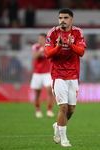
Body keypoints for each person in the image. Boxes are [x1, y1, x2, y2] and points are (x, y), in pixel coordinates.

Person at [45, 8, 86, 147]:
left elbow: (81, 52)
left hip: (73, 75)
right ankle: (64, 139)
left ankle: (57, 125)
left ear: (71, 20)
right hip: (58, 75)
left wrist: (71, 45)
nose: (62, 20)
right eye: (60, 18)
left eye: (65, 18)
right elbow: (47, 54)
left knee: (71, 110)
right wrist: (58, 47)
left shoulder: (77, 32)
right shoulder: (52, 33)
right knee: (63, 107)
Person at [30, 34, 55, 118]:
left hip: (47, 73)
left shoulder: (49, 47)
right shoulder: (35, 47)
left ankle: (49, 110)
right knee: (37, 93)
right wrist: (42, 48)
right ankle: (38, 111)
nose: (40, 40)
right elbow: (35, 56)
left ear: (45, 39)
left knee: (49, 90)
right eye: (39, 38)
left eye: (42, 38)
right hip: (37, 73)